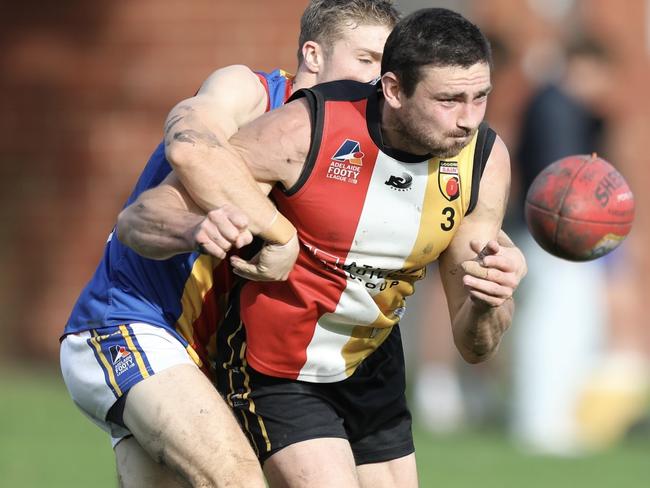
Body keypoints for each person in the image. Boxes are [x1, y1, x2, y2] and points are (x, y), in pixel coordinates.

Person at [132, 8, 524, 487]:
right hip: (276, 367)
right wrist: (266, 232)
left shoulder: (484, 161)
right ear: (394, 89)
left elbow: (474, 346)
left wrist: (491, 301)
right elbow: (146, 213)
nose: (468, 120)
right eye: (448, 100)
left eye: (479, 97)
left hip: (372, 363)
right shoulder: (306, 129)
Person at [59, 1, 400, 486]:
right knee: (237, 479)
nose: (376, 81)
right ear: (314, 55)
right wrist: (266, 230)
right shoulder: (252, 93)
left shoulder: (362, 149)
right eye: (366, 60)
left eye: (386, 68)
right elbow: (187, 149)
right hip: (131, 324)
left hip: (222, 361)